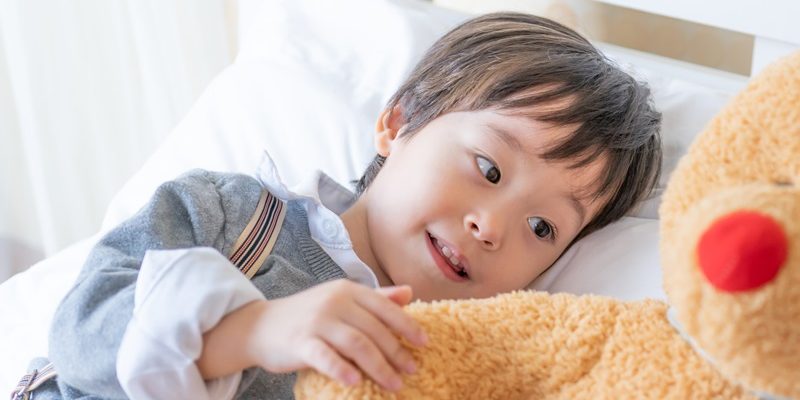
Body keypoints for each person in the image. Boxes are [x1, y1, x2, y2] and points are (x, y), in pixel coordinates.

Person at [21, 11, 661, 400]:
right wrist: (255, 332)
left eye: (542, 227)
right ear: (399, 122)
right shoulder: (236, 214)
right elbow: (83, 330)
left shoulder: (453, 362)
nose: (491, 227)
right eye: (488, 168)